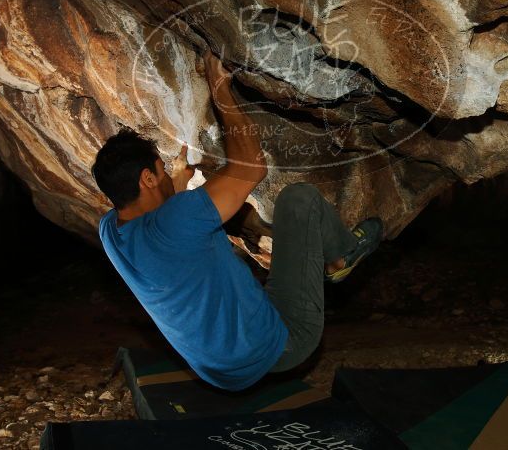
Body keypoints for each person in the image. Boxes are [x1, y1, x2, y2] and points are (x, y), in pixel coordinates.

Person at [91, 49, 383, 391]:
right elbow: (251, 168)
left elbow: (162, 225)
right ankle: (340, 258)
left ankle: (302, 273)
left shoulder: (110, 231)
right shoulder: (178, 218)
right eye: (160, 170)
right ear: (148, 179)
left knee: (247, 265)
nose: (167, 175)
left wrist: (179, 184)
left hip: (219, 373)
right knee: (298, 200)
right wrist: (220, 91)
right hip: (280, 346)